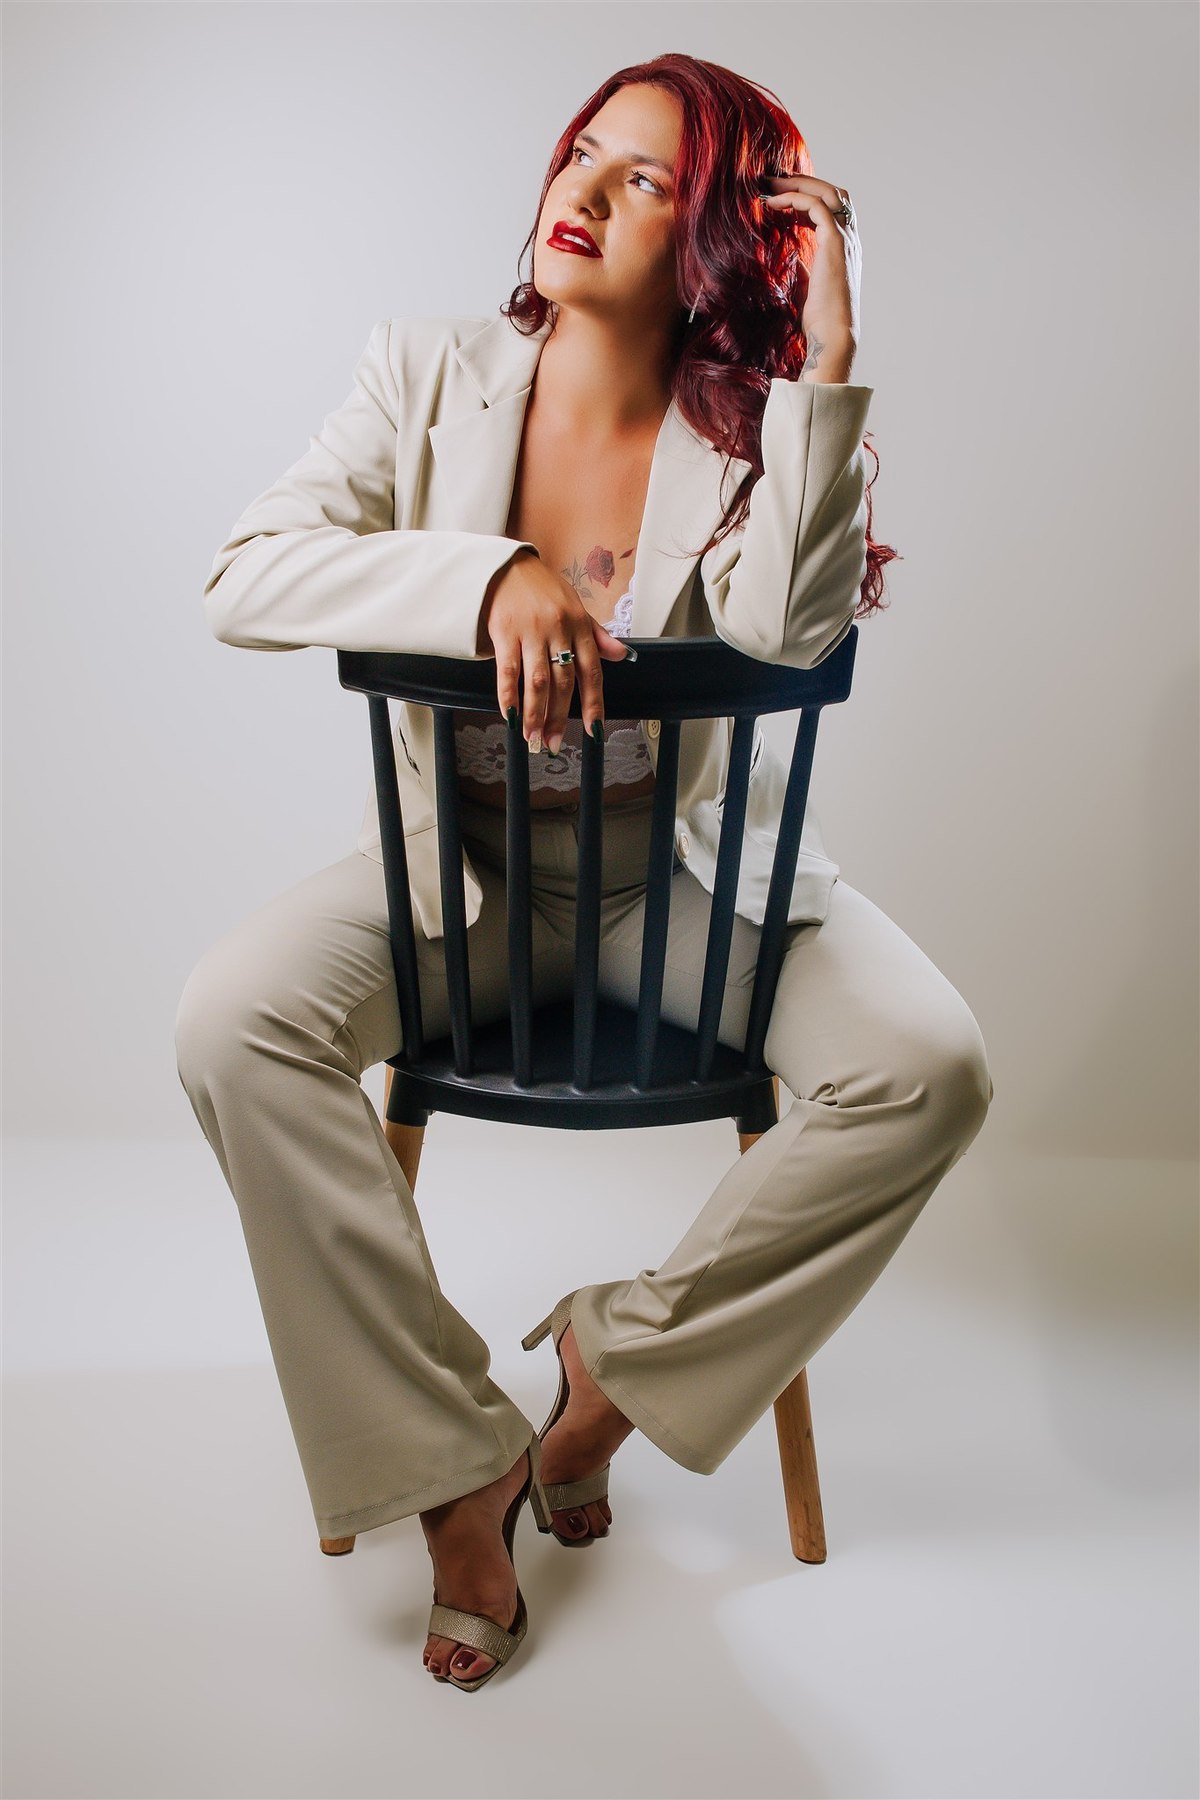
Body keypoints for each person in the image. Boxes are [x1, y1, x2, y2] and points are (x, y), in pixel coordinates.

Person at [176, 55, 993, 1692]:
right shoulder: (425, 373)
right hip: (461, 888)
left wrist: (827, 369)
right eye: (584, 154)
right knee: (231, 1025)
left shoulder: (749, 433)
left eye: (645, 181)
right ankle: (452, 1460)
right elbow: (245, 575)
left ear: (708, 240)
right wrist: (488, 577)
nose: (586, 192)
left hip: (668, 891)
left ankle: (610, 1373)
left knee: (930, 1069)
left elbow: (790, 636)